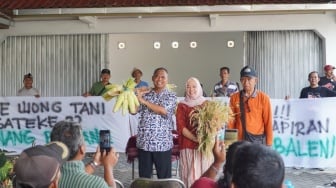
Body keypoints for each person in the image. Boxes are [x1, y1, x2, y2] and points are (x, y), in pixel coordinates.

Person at [135, 67, 177, 178]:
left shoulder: (171, 96)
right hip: (144, 143)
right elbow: (133, 110)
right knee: (144, 179)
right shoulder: (146, 93)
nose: (159, 79)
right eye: (157, 76)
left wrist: (144, 101)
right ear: (153, 78)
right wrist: (135, 96)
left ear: (167, 80)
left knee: (164, 179)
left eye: (163, 77)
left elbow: (163, 111)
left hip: (162, 144)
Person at [50, 120, 119, 188]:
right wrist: (108, 167)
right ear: (82, 149)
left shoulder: (44, 176)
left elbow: (71, 175)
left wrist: (95, 163)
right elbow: (75, 177)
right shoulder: (95, 184)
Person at [176, 77, 211, 187]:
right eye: (188, 87)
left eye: (194, 86)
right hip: (188, 146)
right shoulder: (182, 105)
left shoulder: (206, 104)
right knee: (190, 176)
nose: (191, 89)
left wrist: (205, 137)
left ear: (199, 88)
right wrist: (195, 138)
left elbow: (214, 124)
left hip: (204, 147)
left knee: (205, 175)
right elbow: (181, 127)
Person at [228, 66, 273, 146]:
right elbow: (231, 122)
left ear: (256, 81)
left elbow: (268, 122)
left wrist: (269, 144)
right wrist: (229, 143)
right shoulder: (234, 98)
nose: (246, 82)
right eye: (243, 79)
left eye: (249, 79)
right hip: (239, 143)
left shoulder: (264, 98)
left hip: (257, 142)